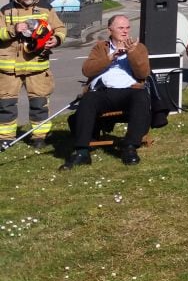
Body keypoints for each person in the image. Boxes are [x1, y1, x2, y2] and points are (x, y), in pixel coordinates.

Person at [60, 15, 151, 169]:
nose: (125, 31)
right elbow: (87, 70)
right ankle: (82, 151)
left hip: (128, 91)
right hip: (103, 91)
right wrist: (110, 57)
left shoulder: (138, 47)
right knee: (88, 100)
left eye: (127, 28)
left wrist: (132, 53)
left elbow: (143, 73)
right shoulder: (100, 47)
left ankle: (130, 147)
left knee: (141, 96)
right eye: (121, 28)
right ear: (110, 29)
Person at [0, 0, 66, 149]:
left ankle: (40, 137)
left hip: (37, 66)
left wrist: (56, 40)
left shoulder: (46, 8)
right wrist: (13, 30)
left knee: (39, 104)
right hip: (9, 69)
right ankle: (5, 139)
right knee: (6, 106)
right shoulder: (5, 11)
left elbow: (60, 28)